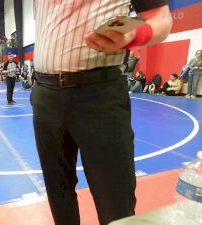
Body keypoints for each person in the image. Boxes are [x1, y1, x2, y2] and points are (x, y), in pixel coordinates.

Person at [31, 1, 172, 225]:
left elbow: (162, 18)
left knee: (115, 202)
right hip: (45, 92)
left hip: (99, 93)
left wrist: (131, 36)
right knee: (58, 193)